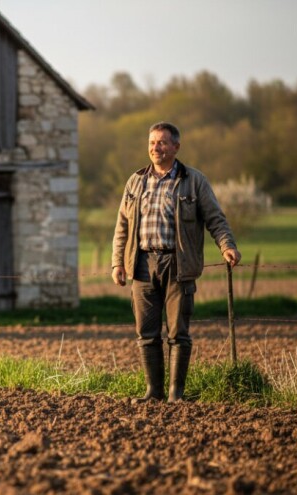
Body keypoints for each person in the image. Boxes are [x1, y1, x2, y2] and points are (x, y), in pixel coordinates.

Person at [111, 122, 240, 403]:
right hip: (142, 264)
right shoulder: (135, 181)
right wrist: (117, 263)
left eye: (162, 143)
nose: (155, 148)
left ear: (176, 147)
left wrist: (227, 245)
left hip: (178, 265)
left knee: (178, 333)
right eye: (152, 143)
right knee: (146, 333)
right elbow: (122, 224)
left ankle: (175, 395)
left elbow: (215, 219)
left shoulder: (194, 181)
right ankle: (153, 392)